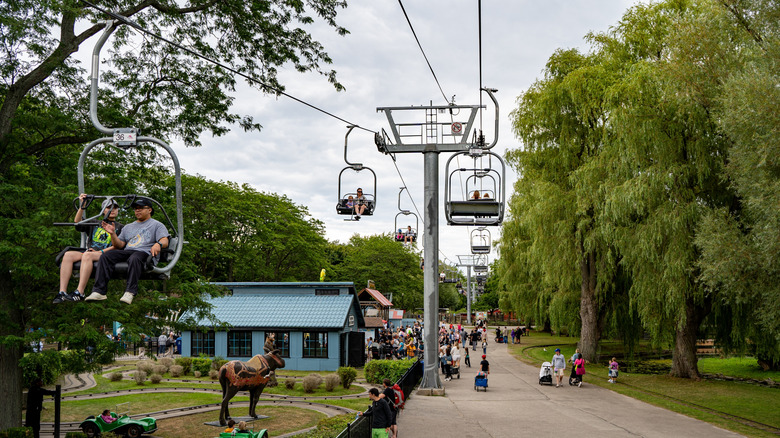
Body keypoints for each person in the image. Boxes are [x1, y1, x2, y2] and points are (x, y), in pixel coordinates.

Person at [85, 197, 170, 305]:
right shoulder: (128, 227)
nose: (137, 210)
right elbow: (119, 244)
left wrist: (159, 244)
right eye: (135, 208)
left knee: (134, 257)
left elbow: (164, 240)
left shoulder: (156, 225)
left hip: (145, 253)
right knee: (107, 255)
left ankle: (130, 291)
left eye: (140, 208)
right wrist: (112, 234)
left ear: (150, 210)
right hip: (129, 251)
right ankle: (99, 291)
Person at [53, 196, 124, 303]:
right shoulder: (95, 223)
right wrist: (83, 205)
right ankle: (62, 292)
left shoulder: (120, 227)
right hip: (90, 252)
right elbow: (77, 222)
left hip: (106, 253)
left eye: (115, 208)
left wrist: (100, 252)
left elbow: (119, 245)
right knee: (68, 255)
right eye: (109, 207)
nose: (112, 210)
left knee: (87, 255)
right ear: (103, 210)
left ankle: (80, 291)